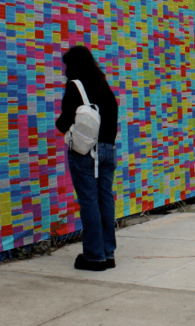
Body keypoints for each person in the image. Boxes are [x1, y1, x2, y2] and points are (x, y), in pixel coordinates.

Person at [56, 46, 119, 272]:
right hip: (108, 149)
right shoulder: (103, 84)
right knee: (105, 198)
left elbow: (65, 120)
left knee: (89, 200)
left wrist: (62, 126)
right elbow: (112, 114)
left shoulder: (75, 86)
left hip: (85, 152)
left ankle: (94, 256)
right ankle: (108, 253)